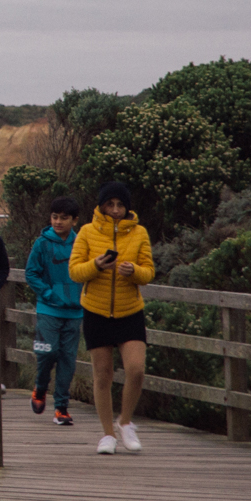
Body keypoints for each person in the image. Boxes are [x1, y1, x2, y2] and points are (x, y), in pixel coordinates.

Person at [68, 181, 155, 455]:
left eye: (120, 205)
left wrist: (134, 272)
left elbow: (149, 272)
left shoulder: (139, 232)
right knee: (102, 375)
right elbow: (74, 271)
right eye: (110, 204)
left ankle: (126, 422)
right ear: (101, 205)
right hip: (96, 310)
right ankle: (107, 435)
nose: (116, 210)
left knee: (136, 369)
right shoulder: (86, 231)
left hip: (130, 310)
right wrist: (95, 265)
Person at [24, 196, 84, 426]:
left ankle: (61, 408)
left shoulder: (81, 244)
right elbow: (31, 273)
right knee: (47, 352)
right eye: (54, 217)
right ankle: (40, 388)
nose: (58, 222)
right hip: (48, 309)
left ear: (75, 220)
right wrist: (48, 295)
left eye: (64, 218)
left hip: (75, 311)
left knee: (68, 359)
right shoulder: (42, 243)